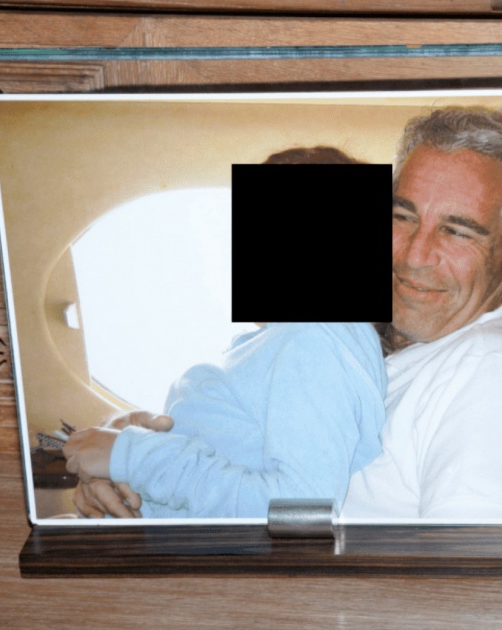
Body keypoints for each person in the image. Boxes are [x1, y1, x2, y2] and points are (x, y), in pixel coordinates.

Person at [63, 147, 388, 519]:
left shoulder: (313, 340)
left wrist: (133, 456)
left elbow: (303, 505)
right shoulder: (292, 343)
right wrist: (123, 453)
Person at [339, 107, 502, 520]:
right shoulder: (394, 353)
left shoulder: (492, 372)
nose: (414, 255)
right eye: (403, 216)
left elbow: (472, 560)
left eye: (457, 231)